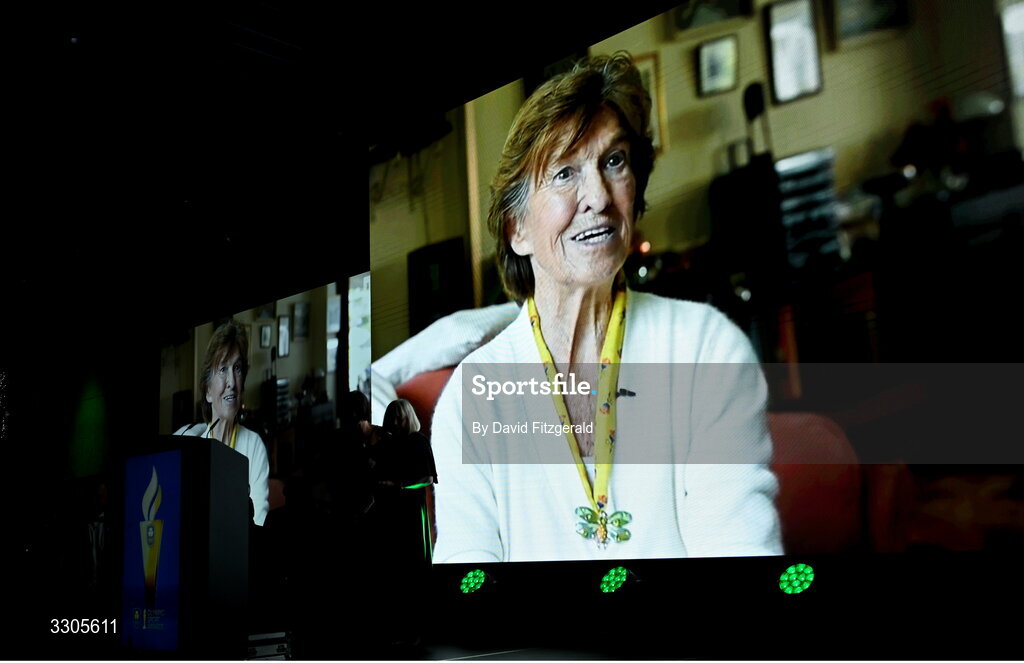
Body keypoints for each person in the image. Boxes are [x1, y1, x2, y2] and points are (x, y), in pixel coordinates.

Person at [430, 52, 782, 563]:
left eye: (613, 161)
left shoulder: (705, 347)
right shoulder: (472, 398)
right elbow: (469, 591)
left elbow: (736, 565)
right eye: (564, 173)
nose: (597, 195)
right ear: (517, 229)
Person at [176, 320, 270, 526]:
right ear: (208, 391)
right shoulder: (184, 438)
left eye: (237, 369)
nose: (231, 382)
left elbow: (258, 523)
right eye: (222, 369)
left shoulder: (253, 446)